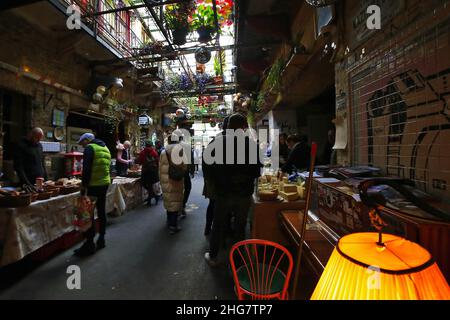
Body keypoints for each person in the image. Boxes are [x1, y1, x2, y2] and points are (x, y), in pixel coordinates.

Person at [204, 114, 262, 267]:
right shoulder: (250, 145)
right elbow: (257, 171)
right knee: (240, 227)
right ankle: (238, 261)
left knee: (218, 225)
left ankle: (213, 256)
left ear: (228, 126)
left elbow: (207, 169)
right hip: (243, 194)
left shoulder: (216, 142)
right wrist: (243, 177)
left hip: (223, 193)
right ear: (243, 127)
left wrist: (217, 182)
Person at [74, 133, 111, 257]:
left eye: (83, 143)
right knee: (101, 211)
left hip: (93, 185)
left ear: (87, 140)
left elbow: (87, 169)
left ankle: (89, 244)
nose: (83, 146)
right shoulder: (106, 148)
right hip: (104, 183)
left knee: (87, 214)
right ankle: (102, 239)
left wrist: (84, 186)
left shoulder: (91, 148)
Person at [202, 116, 230, 236]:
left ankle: (209, 228)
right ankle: (220, 230)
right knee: (220, 206)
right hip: (219, 181)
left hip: (213, 179)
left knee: (213, 204)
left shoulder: (217, 139)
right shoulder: (227, 139)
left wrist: (208, 178)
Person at [159, 131, 187, 235]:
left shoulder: (163, 152)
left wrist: (161, 180)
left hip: (165, 180)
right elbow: (184, 166)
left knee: (169, 201)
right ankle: (173, 226)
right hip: (176, 180)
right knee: (175, 201)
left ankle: (169, 221)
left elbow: (160, 168)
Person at [136, 140, 160, 206]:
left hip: (145, 171)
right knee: (150, 185)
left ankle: (151, 198)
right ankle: (154, 196)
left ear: (145, 145)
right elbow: (157, 162)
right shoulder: (154, 152)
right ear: (151, 145)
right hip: (153, 172)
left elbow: (140, 162)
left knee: (144, 184)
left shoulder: (142, 152)